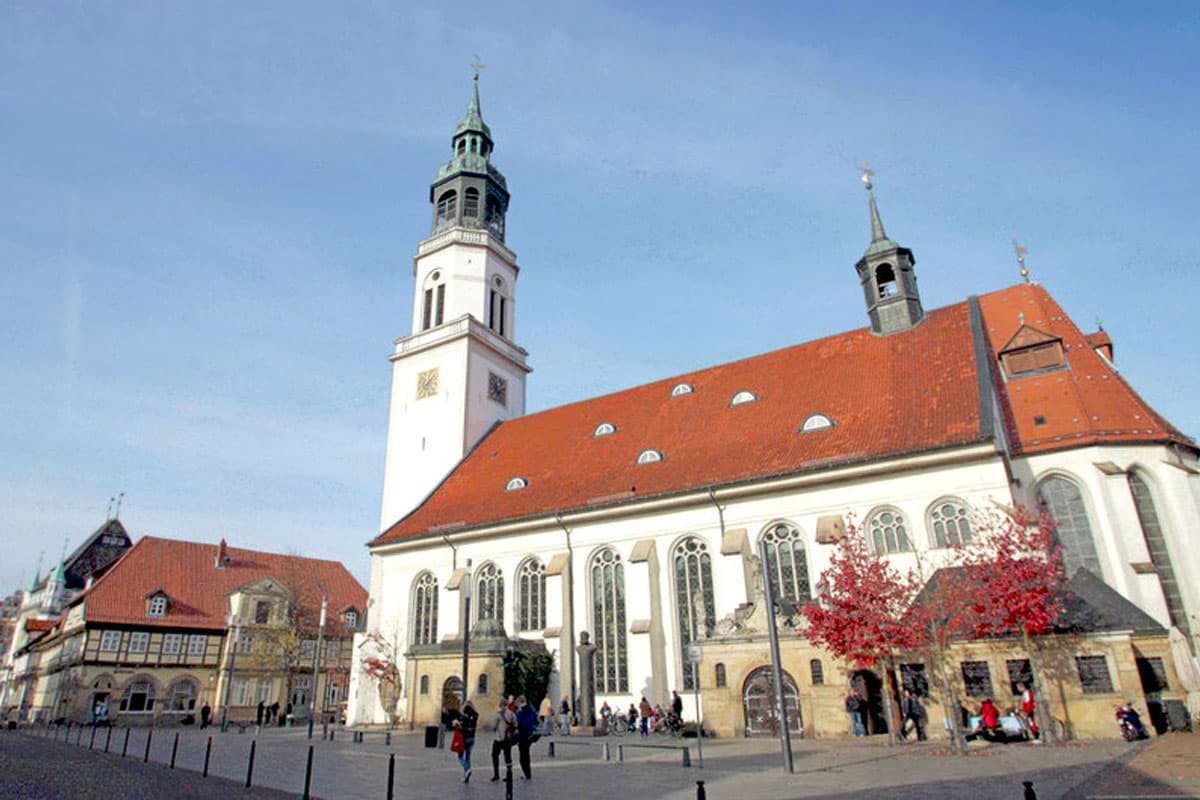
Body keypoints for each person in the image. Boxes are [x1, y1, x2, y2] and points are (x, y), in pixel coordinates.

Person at [489, 698, 516, 782]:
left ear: (500, 705)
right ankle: (509, 774)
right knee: (508, 756)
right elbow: (516, 724)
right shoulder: (512, 714)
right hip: (508, 738)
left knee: (495, 755)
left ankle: (496, 774)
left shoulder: (498, 714)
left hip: (499, 738)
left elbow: (493, 726)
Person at [453, 700, 478, 783]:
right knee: (468, 757)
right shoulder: (475, 715)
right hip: (472, 738)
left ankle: (467, 769)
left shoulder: (463, 715)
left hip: (464, 739)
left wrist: (458, 724)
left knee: (460, 757)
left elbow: (463, 728)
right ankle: (466, 776)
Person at [514, 695, 538, 780]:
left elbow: (517, 724)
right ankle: (528, 773)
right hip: (529, 734)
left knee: (522, 756)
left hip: (522, 735)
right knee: (527, 754)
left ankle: (526, 773)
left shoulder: (519, 712)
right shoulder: (532, 709)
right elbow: (535, 719)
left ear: (520, 702)